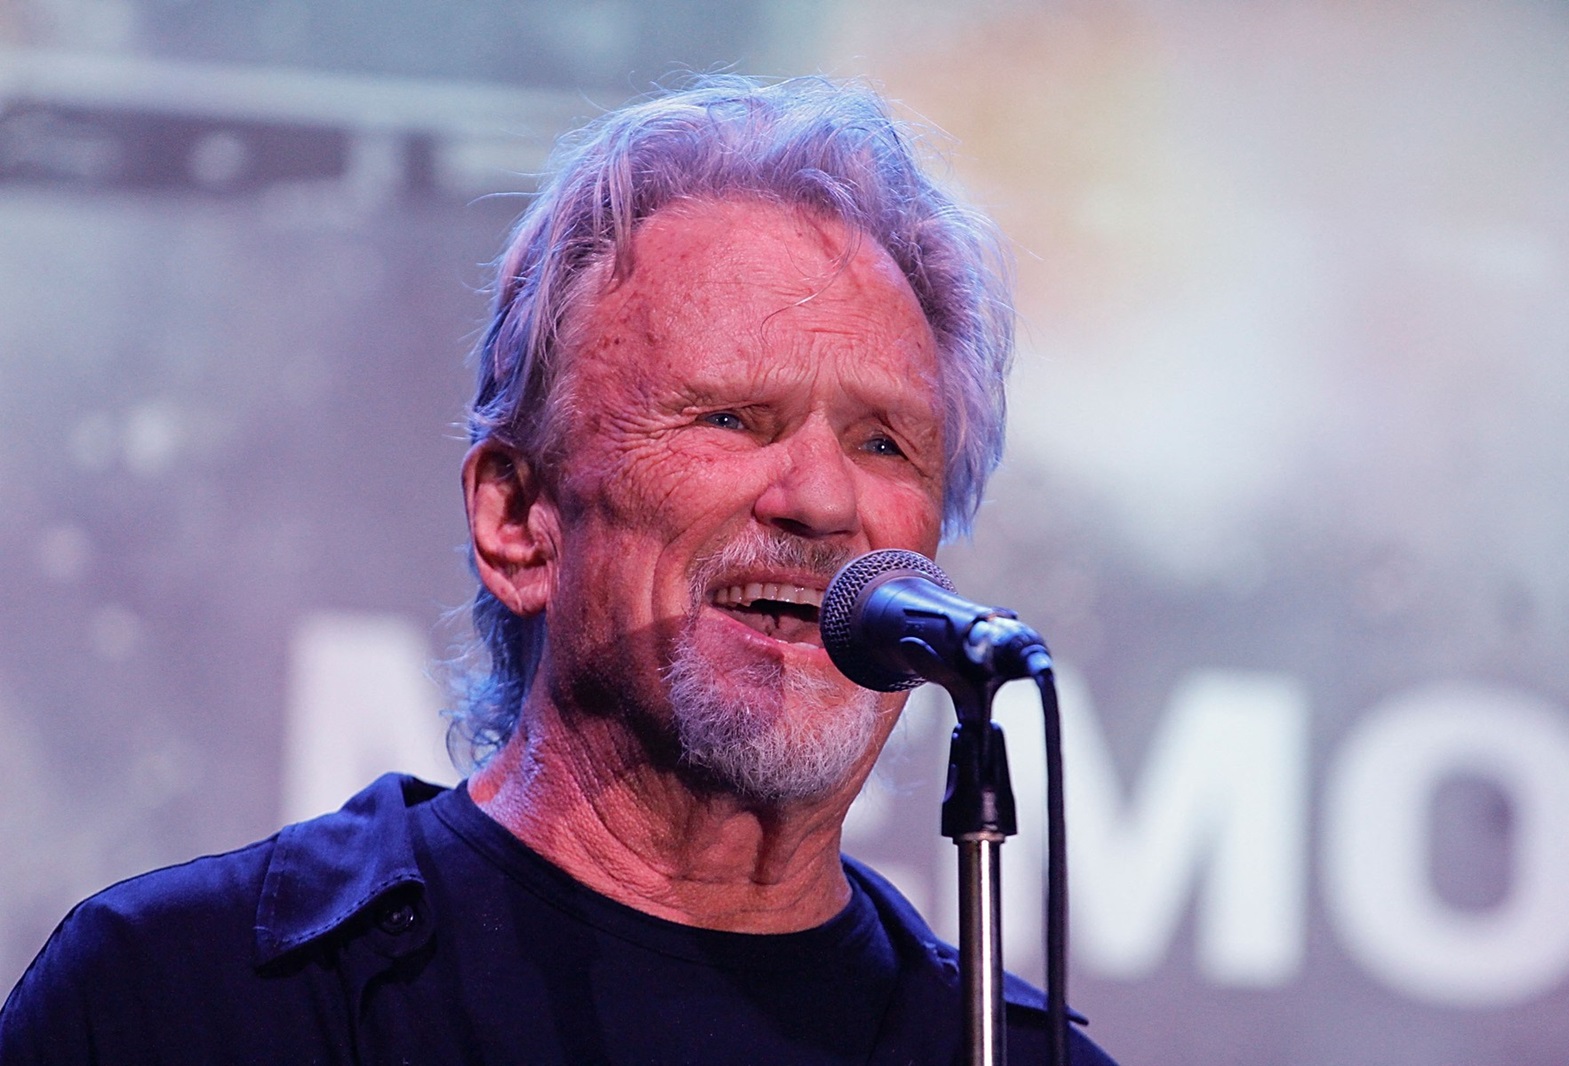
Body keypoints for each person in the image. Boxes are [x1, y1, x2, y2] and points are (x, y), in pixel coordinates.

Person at [1, 75, 1117, 1065]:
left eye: (884, 443)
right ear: (519, 517)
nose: (822, 498)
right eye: (731, 415)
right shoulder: (185, 1001)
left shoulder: (994, 1052)